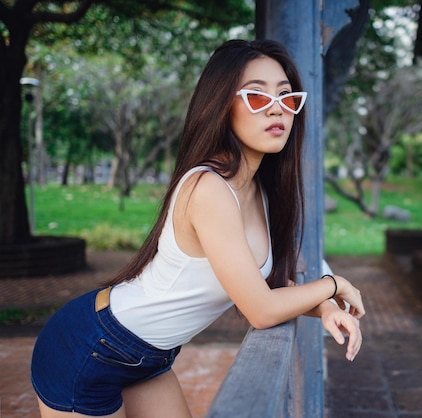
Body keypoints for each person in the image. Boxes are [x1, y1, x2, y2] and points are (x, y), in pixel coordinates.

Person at [30, 39, 365, 418]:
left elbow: (261, 288)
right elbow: (260, 310)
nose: (277, 109)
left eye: (287, 97)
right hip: (90, 348)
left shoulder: (257, 190)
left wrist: (322, 307)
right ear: (223, 104)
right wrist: (333, 284)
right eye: (257, 96)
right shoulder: (208, 189)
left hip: (147, 358)